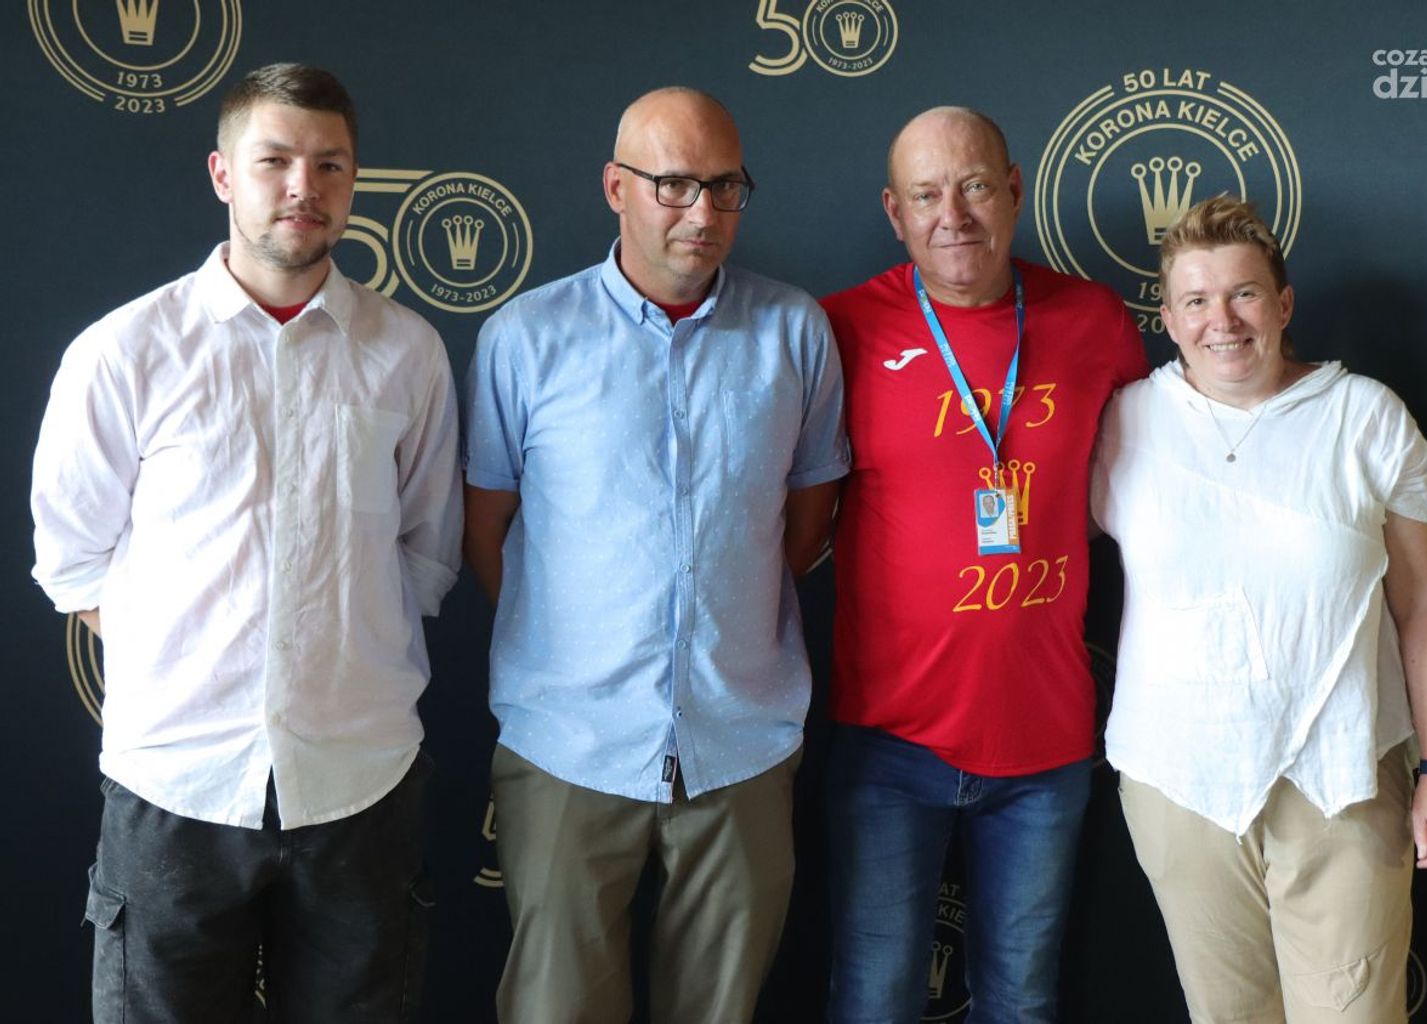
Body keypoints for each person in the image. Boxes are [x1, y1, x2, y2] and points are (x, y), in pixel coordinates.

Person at [30, 63, 463, 1022]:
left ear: (353, 180)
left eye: (330, 164)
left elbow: (426, 550)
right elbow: (73, 562)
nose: (304, 186)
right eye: (275, 161)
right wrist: (186, 658)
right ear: (224, 173)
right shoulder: (124, 352)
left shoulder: (408, 352)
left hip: (361, 782)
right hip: (174, 786)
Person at [462, 86, 849, 1024]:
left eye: (724, 187)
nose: (703, 213)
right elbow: (486, 530)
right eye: (673, 185)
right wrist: (577, 639)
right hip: (569, 744)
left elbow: (807, 524)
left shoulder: (795, 332)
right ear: (616, 188)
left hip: (740, 742)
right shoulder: (524, 338)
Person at [1090, 194, 1427, 1023]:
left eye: (1244, 294)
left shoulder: (1364, 416)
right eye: (1196, 300)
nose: (1222, 321)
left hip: (1342, 779)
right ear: (1168, 318)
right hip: (1179, 782)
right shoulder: (1126, 422)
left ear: (1284, 303)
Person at [820, 106, 1148, 1022]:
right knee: (875, 999)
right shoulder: (840, 329)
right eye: (927, 195)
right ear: (895, 212)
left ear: (1013, 189)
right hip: (889, 741)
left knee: (1022, 1001)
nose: (952, 215)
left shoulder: (1093, 320)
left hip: (1046, 743)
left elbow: (1165, 488)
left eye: (972, 187)